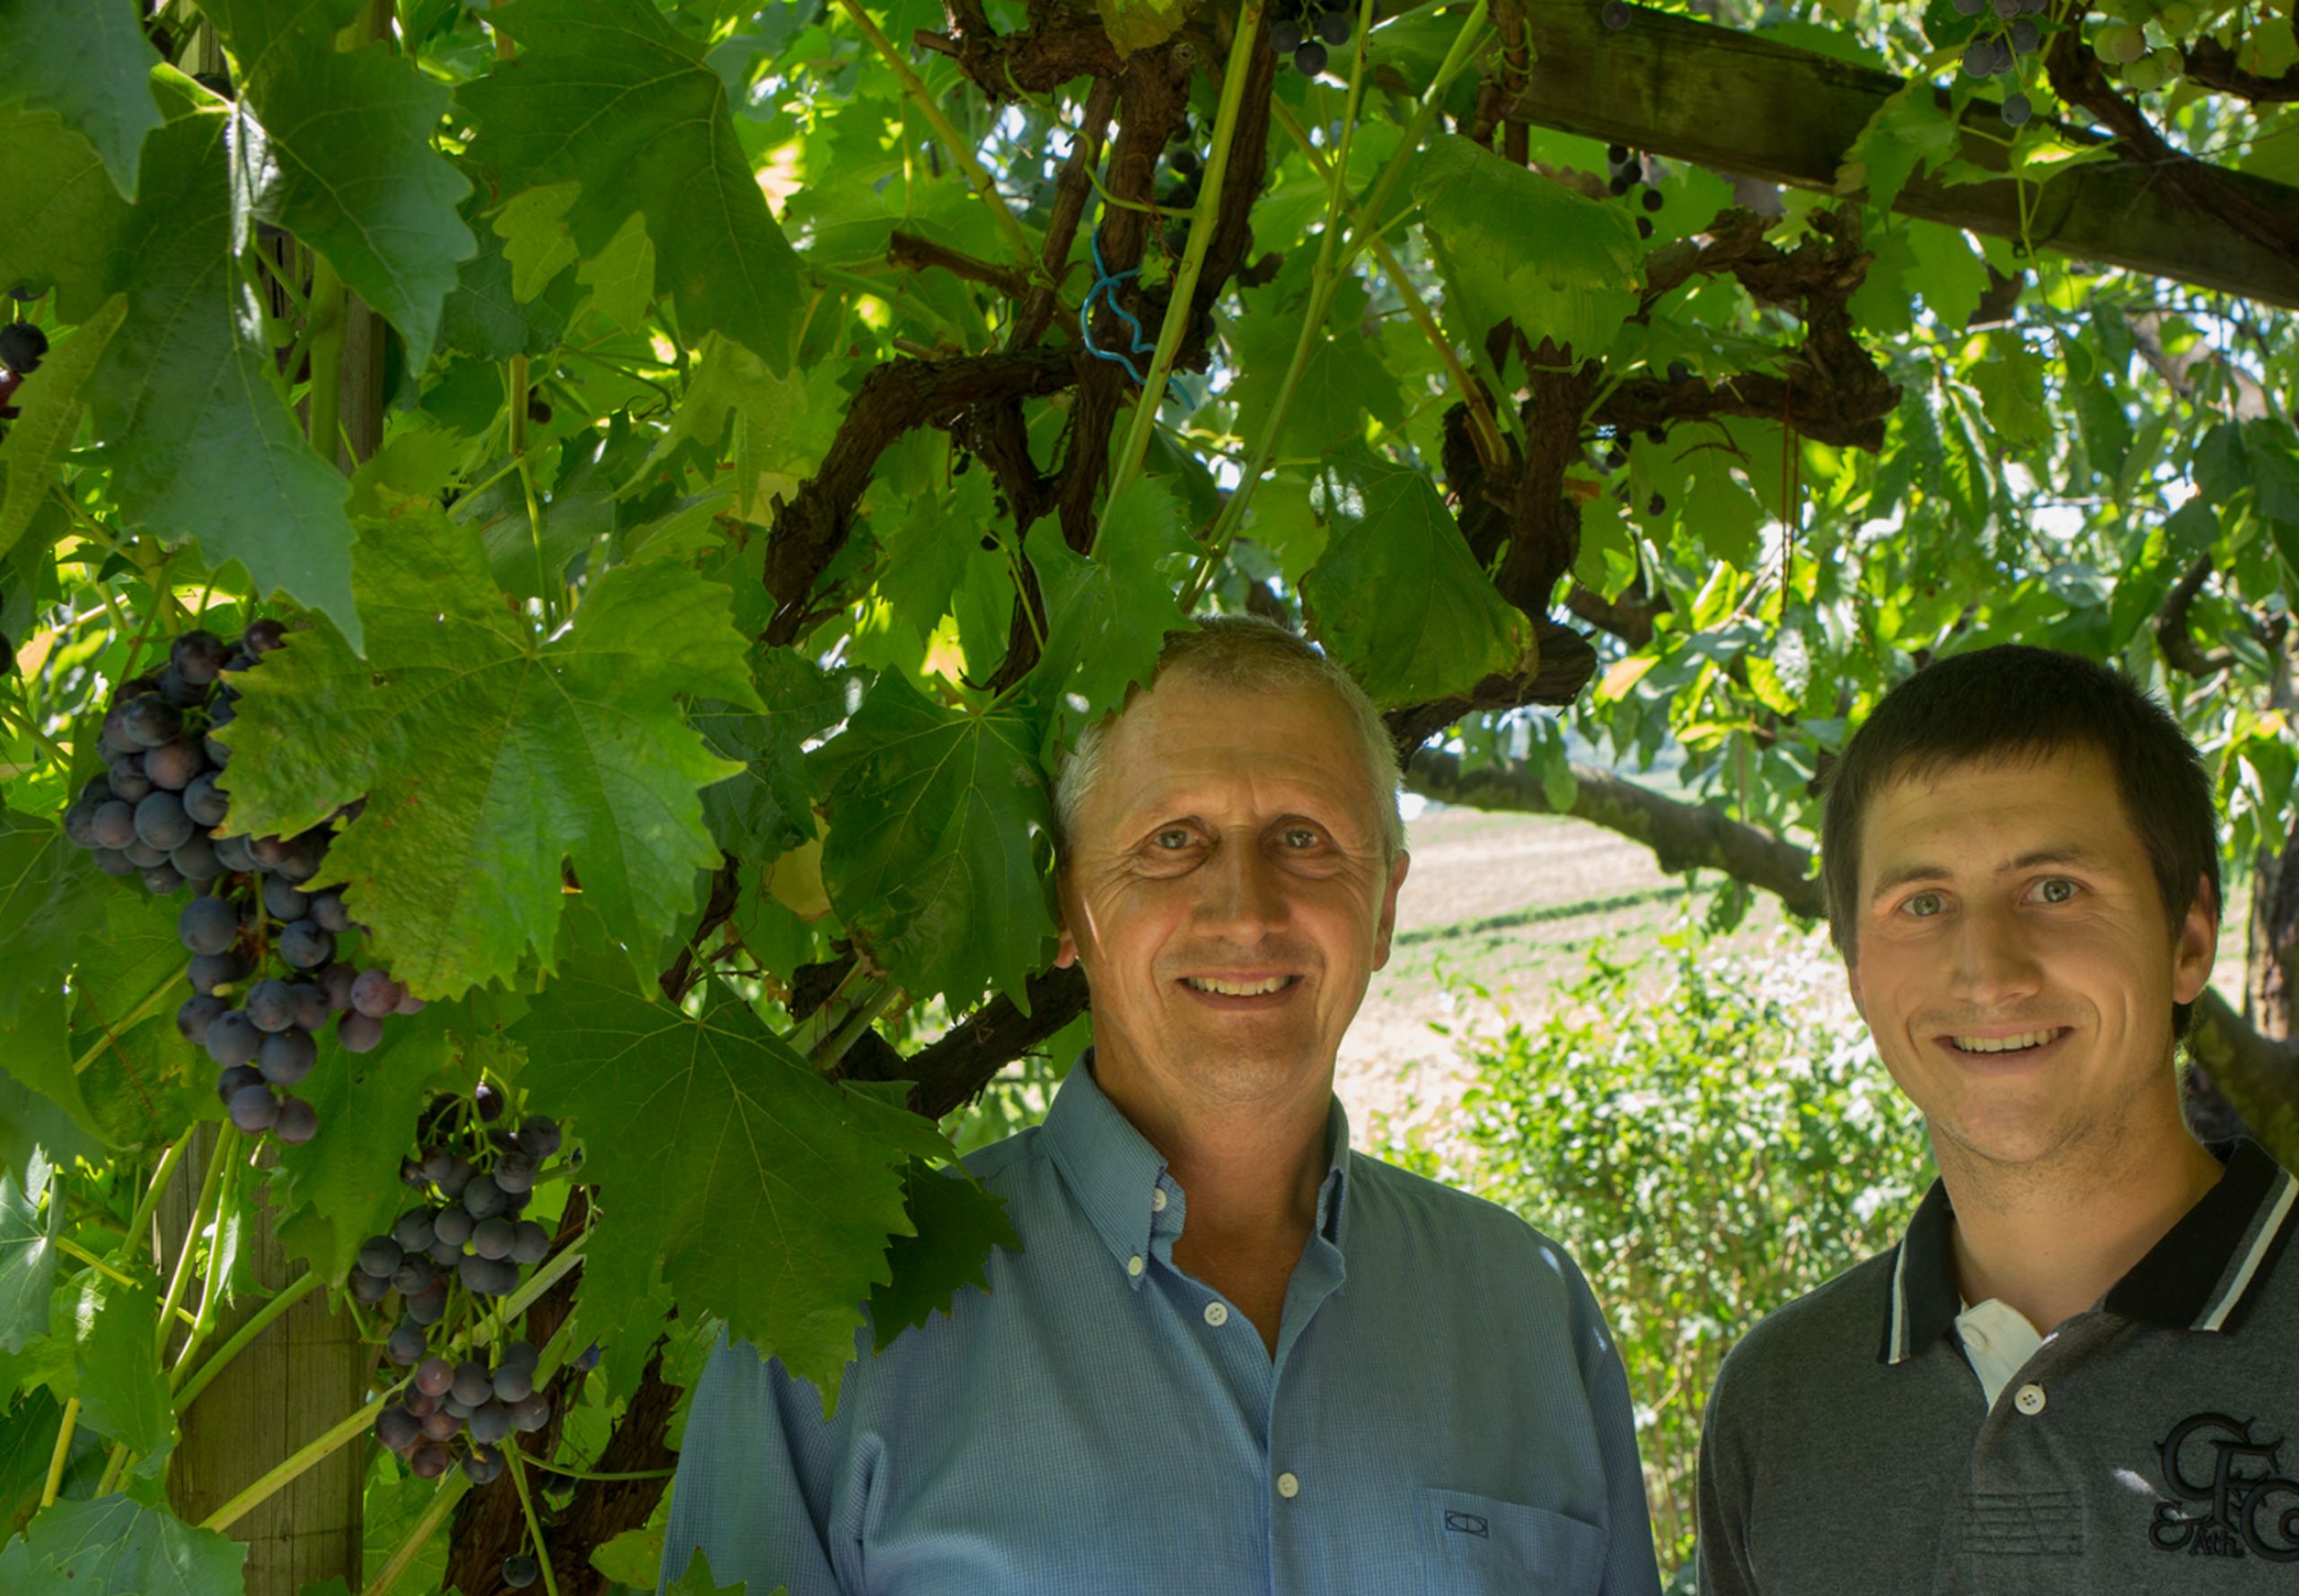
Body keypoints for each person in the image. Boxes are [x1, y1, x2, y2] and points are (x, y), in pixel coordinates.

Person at [660, 616, 1660, 1595]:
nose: (1246, 912)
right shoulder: (837, 1328)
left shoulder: (1533, 1317)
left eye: (1304, 838)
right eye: (1172, 840)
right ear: (1066, 907)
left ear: (1385, 906)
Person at [1697, 645, 2299, 1593]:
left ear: (2187, 940)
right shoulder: (1778, 1401)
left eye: (2054, 889)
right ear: (1857, 973)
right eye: (1923, 902)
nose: (1988, 972)